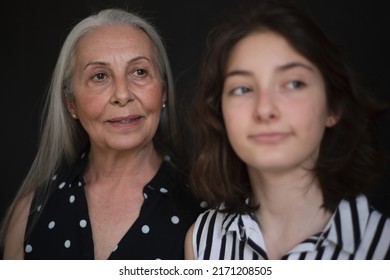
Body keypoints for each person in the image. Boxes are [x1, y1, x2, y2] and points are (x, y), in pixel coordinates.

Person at [185, 0, 390, 260]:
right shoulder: (201, 242)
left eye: (293, 84)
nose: (265, 109)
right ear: (220, 114)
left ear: (333, 107)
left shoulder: (382, 247)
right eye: (242, 89)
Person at [0, 8, 204, 260]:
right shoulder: (30, 215)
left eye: (139, 72)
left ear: (162, 91)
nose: (122, 94)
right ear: (70, 102)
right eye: (99, 76)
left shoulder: (205, 210)